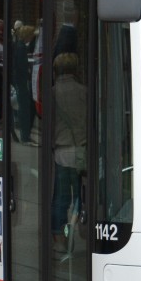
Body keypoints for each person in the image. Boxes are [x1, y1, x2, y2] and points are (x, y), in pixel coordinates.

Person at [51, 52, 87, 250]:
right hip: (81, 151)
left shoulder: (53, 92)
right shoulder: (84, 91)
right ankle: (74, 226)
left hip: (61, 152)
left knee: (61, 197)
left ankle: (60, 235)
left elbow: (47, 122)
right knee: (79, 196)